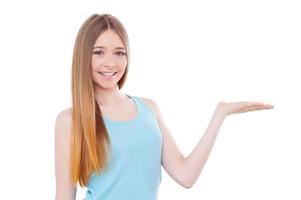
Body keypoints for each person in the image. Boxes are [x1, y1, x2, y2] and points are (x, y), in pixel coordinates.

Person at [54, 13, 274, 200]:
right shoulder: (70, 120)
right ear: (84, 56)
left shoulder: (149, 109)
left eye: (119, 52)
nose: (111, 62)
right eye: (99, 52)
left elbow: (185, 176)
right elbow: (64, 196)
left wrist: (220, 114)